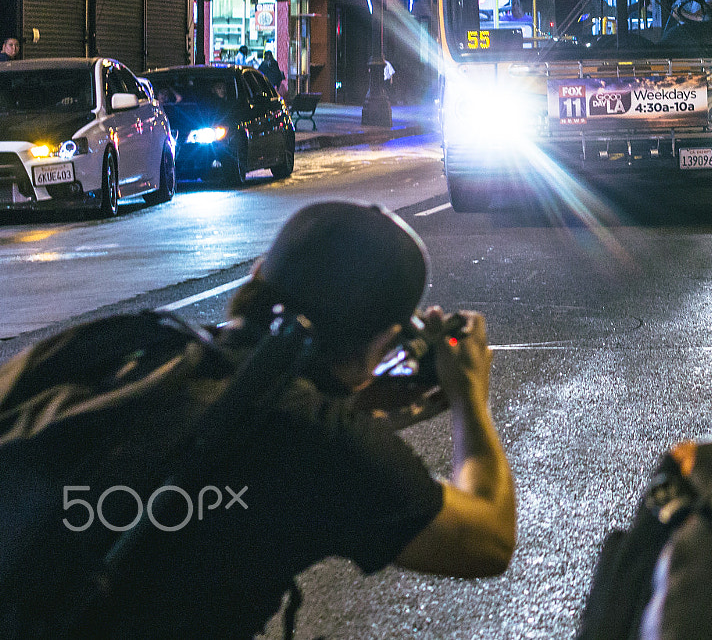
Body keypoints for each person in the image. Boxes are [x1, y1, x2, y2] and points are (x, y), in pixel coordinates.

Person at [4, 201, 516, 638]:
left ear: (256, 275)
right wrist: (469, 394)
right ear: (382, 341)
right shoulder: (315, 440)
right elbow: (487, 539)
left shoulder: (140, 345)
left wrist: (355, 408)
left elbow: (224, 444)